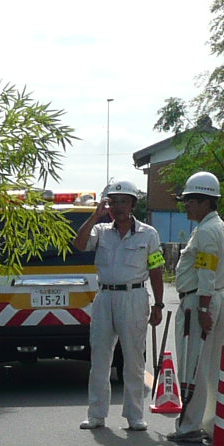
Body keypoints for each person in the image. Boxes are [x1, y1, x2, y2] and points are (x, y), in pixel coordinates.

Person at [72, 178, 165, 430]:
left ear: (133, 204)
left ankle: (134, 415)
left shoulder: (149, 234)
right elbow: (79, 244)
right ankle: (96, 414)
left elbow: (156, 268)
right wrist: (95, 216)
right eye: (113, 202)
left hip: (134, 296)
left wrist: (158, 304)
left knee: (134, 358)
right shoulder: (101, 231)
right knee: (100, 357)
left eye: (124, 201)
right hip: (105, 296)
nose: (118, 207)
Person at [168, 171, 224, 446]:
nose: (186, 206)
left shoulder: (206, 231)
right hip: (211, 298)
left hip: (200, 301)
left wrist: (204, 310)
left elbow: (206, 272)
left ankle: (190, 425)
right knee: (209, 366)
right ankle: (211, 423)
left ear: (205, 202)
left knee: (193, 366)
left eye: (191, 201)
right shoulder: (215, 226)